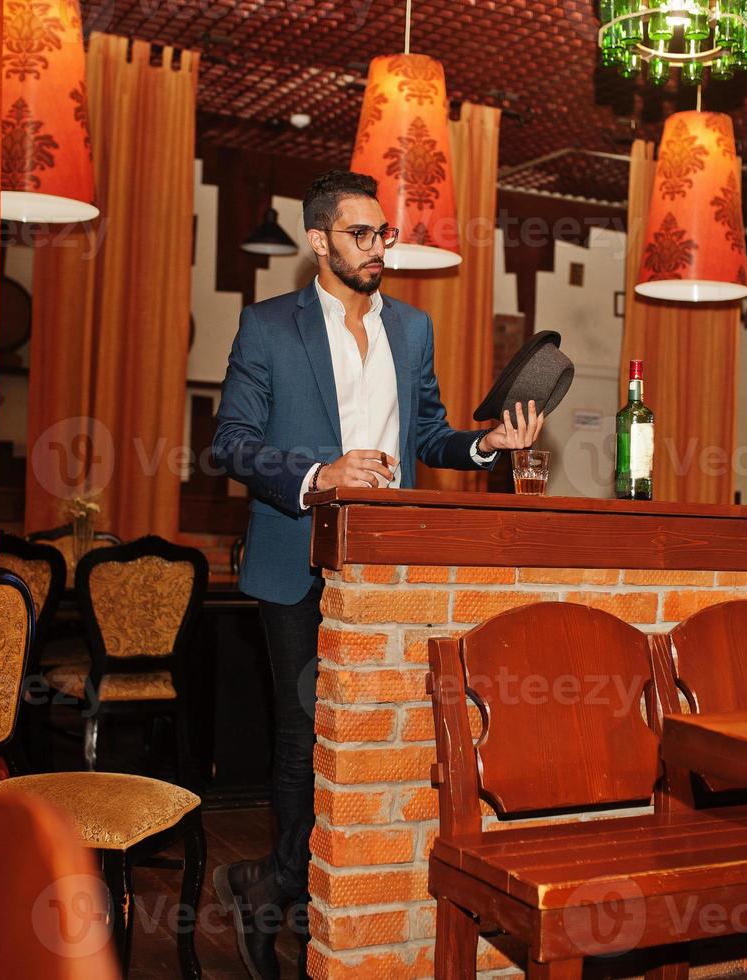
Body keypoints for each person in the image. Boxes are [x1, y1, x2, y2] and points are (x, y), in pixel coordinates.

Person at [212, 170, 543, 978]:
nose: (379, 249)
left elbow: (427, 433)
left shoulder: (412, 330)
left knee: (376, 735)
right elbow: (229, 444)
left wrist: (484, 446)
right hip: (295, 557)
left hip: (389, 571)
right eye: (362, 235)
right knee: (303, 740)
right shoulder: (267, 329)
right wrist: (319, 472)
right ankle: (282, 897)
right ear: (318, 241)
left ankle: (305, 888)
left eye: (384, 234)